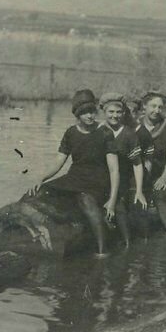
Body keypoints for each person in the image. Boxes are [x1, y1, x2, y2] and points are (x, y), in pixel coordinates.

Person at [28, 89, 120, 256]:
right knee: (40, 192)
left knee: (86, 200)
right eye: (84, 113)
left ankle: (102, 251)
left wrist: (112, 201)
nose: (90, 116)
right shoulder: (71, 133)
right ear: (77, 114)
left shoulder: (105, 133)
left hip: (98, 179)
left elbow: (114, 169)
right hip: (75, 177)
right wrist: (41, 177)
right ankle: (31, 234)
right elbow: (58, 162)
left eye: (92, 111)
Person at [99, 92, 147, 248]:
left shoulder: (128, 134)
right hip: (100, 177)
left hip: (122, 179)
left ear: (124, 113)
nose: (115, 116)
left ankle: (127, 243)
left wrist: (139, 191)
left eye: (119, 112)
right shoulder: (98, 130)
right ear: (104, 112)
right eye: (111, 112)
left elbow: (137, 164)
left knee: (118, 205)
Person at [139, 91, 166, 232]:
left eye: (160, 107)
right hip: (141, 171)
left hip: (164, 172)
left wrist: (163, 178)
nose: (157, 111)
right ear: (144, 106)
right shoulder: (135, 127)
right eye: (153, 106)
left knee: (159, 197)